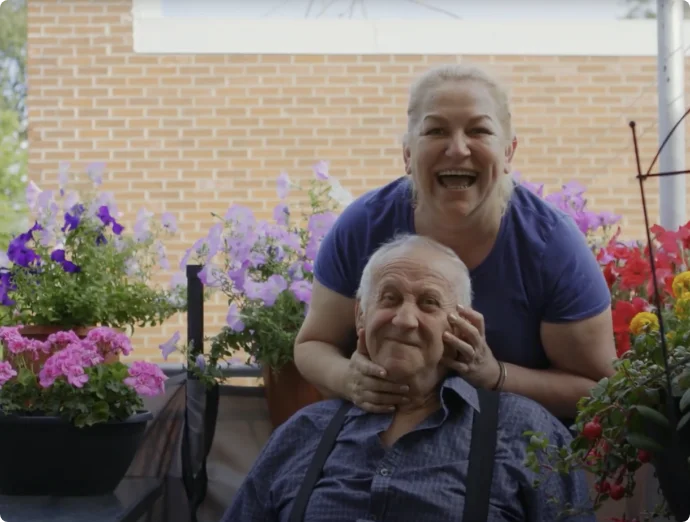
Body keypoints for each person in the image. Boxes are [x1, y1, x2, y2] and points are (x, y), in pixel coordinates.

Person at [294, 63, 616, 422]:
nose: (458, 149)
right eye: (436, 130)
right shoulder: (364, 227)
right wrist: (347, 379)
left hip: (512, 454)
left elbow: (598, 389)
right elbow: (312, 344)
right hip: (379, 442)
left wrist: (495, 376)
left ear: (508, 152)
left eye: (479, 130)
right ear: (407, 154)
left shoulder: (551, 246)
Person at [222, 235, 594, 522]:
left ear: (463, 325)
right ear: (361, 317)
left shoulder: (526, 434)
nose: (404, 319)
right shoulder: (303, 434)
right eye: (389, 298)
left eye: (429, 302)